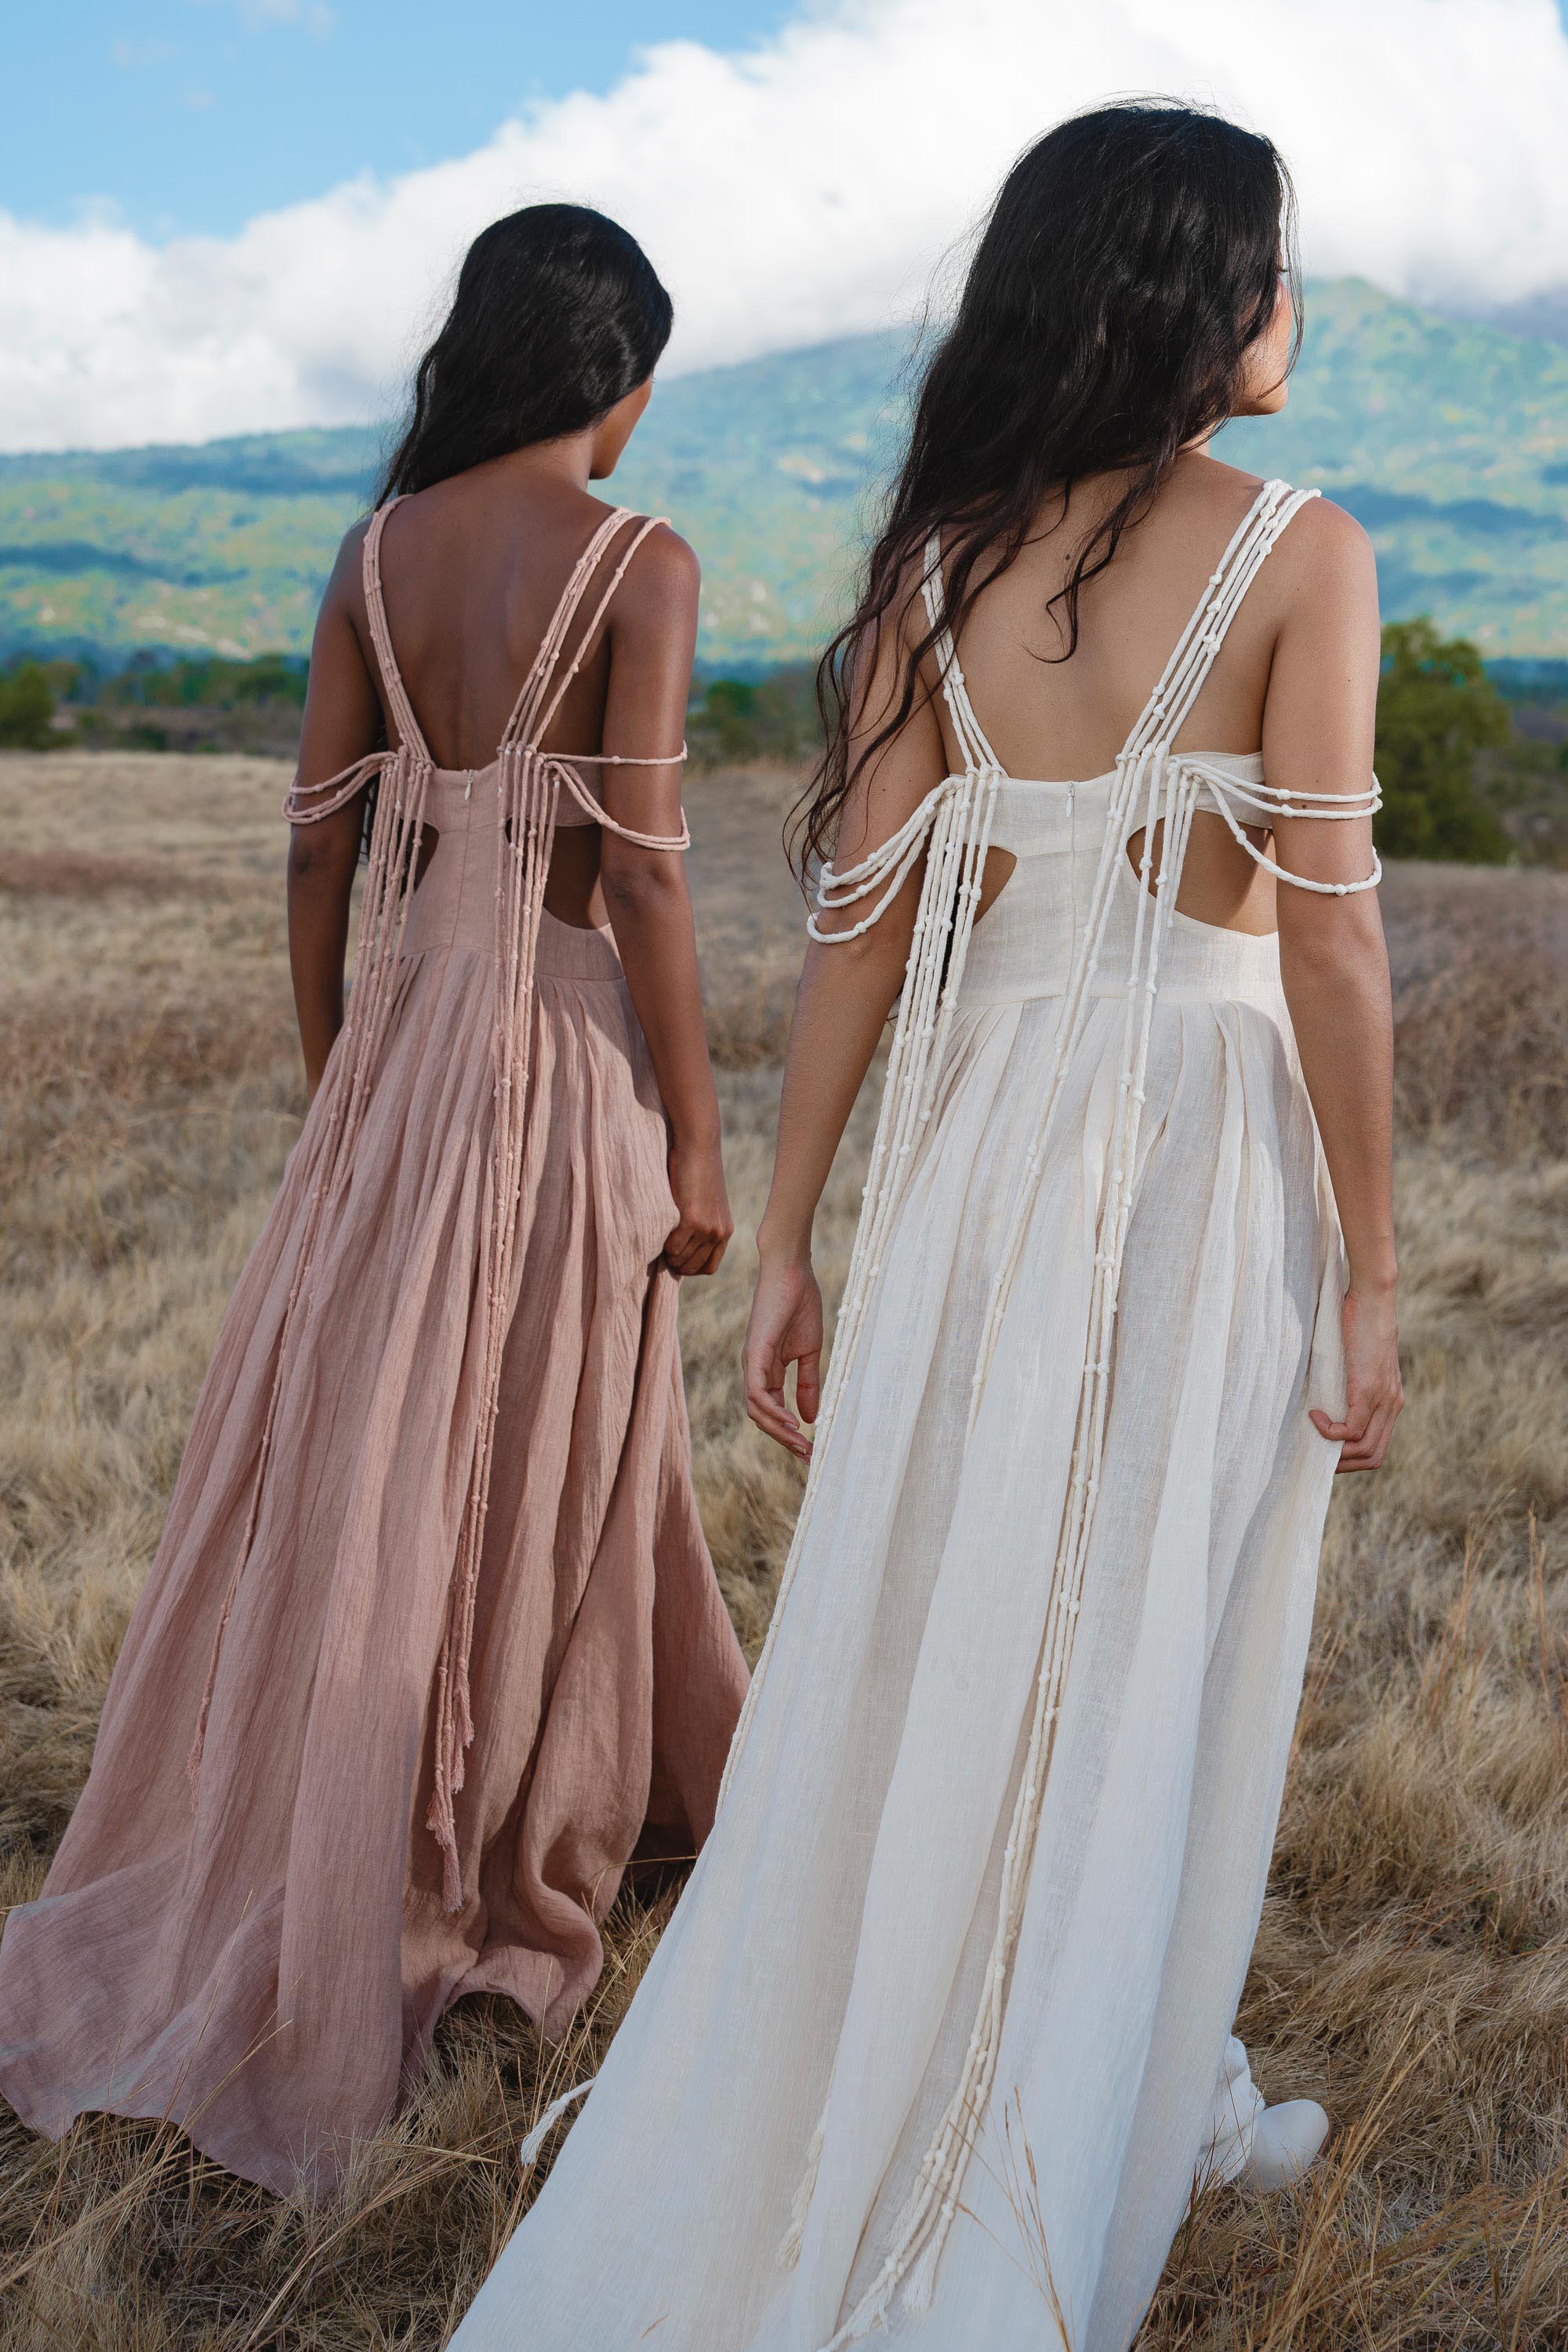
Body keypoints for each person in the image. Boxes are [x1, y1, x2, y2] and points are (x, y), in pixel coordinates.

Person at [448, 105, 1402, 2352]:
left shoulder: (933, 573)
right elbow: (1337, 942)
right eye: (1271, 261)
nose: (1297, 304)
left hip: (979, 1140)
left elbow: (862, 946)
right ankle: (1070, 2120)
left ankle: (1104, 2092)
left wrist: (787, 1239)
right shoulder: (1303, 550)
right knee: (1135, 1637)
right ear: (1188, 288)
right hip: (1189, 1132)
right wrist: (1371, 1266)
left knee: (955, 1619)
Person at [0, 203, 748, 2199]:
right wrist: (695, 1131)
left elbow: (314, 856)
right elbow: (649, 875)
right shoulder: (639, 558)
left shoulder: (367, 554)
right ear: (615, 371)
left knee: (373, 1455)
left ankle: (372, 1823)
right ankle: (487, 1848)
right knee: (536, 1442)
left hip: (404, 1047)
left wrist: (341, 1077)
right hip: (557, 1051)